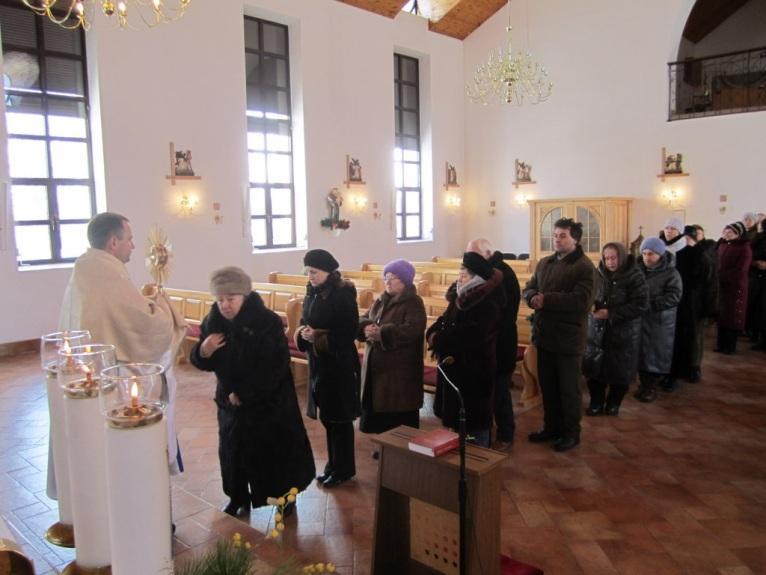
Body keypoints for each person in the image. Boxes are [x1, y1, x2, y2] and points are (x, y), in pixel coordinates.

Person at [59, 212, 186, 476]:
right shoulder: (108, 273)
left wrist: (143, 301)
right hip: (116, 377)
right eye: (128, 239)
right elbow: (145, 324)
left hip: (92, 375)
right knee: (127, 450)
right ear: (113, 242)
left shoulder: (85, 267)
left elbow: (118, 314)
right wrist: (160, 305)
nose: (133, 245)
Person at [190, 267, 315, 516]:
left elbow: (275, 366)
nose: (224, 305)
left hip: (268, 402)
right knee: (233, 452)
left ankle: (284, 499)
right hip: (229, 402)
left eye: (231, 299)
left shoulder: (265, 321)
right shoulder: (213, 321)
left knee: (274, 453)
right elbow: (204, 362)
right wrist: (203, 351)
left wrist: (245, 394)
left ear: (244, 296)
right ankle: (237, 497)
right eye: (220, 299)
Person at [523, 218, 596, 452]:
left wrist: (547, 299)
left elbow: (582, 301)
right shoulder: (545, 263)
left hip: (568, 337)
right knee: (549, 386)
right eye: (555, 235)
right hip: (545, 335)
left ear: (575, 238)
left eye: (562, 235)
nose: (557, 239)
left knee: (568, 389)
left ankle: (571, 433)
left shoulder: (585, 267)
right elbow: (530, 287)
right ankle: (551, 427)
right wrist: (532, 296)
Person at [295, 249, 360, 488]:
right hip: (319, 362)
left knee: (340, 418)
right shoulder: (312, 291)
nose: (309, 275)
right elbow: (305, 321)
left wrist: (318, 337)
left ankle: (344, 469)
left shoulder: (343, 294)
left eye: (314, 271)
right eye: (307, 271)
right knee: (328, 417)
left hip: (339, 363)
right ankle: (333, 464)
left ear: (328, 271)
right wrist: (303, 333)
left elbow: (349, 331)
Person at [426, 252, 505, 447]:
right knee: (458, 421)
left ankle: (476, 455)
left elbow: (472, 334)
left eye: (465, 275)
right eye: (460, 273)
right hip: (456, 369)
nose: (460, 278)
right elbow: (444, 320)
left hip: (474, 370)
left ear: (477, 278)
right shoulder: (460, 296)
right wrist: (433, 332)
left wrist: (440, 339)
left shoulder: (488, 302)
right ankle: (461, 449)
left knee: (474, 423)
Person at [357, 259, 426, 437]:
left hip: (399, 371)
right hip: (378, 368)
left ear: (405, 280)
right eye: (386, 277)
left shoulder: (413, 303)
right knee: (378, 409)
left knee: (396, 412)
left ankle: (398, 448)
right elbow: (363, 318)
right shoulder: (380, 300)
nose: (387, 281)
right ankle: (384, 444)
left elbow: (412, 330)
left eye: (393, 277)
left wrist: (382, 334)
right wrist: (366, 328)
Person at [466, 238, 520, 448]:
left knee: (499, 392)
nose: (470, 260)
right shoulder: (480, 271)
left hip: (500, 342)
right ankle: (482, 434)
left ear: (488, 253)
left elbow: (505, 313)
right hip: (482, 345)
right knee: (484, 393)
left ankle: (506, 434)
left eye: (474, 255)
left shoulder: (503, 273)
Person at [583, 242, 648, 416]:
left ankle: (613, 403)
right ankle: (596, 402)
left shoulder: (635, 276)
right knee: (595, 371)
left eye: (614, 258)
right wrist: (590, 306)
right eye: (606, 258)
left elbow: (641, 304)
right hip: (597, 332)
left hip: (623, 333)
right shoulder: (597, 275)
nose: (610, 262)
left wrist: (611, 313)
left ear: (621, 256)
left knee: (620, 373)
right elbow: (589, 295)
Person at [633, 237, 682, 403]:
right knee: (640, 353)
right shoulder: (638, 269)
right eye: (645, 253)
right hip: (640, 319)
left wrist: (651, 304)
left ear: (660, 255)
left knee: (654, 355)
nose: (647, 257)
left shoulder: (671, 272)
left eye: (651, 254)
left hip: (659, 321)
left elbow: (674, 295)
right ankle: (643, 385)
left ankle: (650, 387)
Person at [668, 226, 718, 387]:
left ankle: (693, 367)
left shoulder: (702, 255)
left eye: (690, 238)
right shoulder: (679, 255)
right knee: (680, 337)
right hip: (681, 302)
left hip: (696, 303)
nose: (687, 241)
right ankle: (680, 368)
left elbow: (710, 283)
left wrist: (709, 307)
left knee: (695, 337)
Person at [716, 222, 753, 355]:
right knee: (722, 315)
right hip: (722, 284)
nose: (726, 234)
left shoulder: (744, 248)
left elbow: (741, 269)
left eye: (730, 232)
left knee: (732, 316)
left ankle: (730, 346)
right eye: (725, 231)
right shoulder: (722, 245)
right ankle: (721, 344)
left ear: (738, 234)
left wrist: (723, 276)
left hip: (735, 285)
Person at [750, 219, 766, 350]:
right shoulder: (759, 238)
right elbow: (751, 254)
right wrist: (755, 263)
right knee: (760, 309)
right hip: (758, 278)